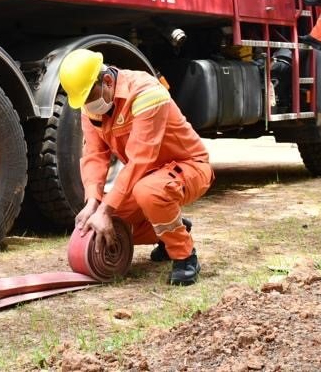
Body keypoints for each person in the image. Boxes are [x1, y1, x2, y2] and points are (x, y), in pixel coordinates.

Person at [59, 48, 214, 286]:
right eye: (84, 101)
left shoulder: (146, 92)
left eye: (90, 96)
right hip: (146, 176)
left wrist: (105, 209)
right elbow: (94, 155)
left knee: (147, 192)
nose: (88, 105)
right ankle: (174, 229)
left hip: (189, 167)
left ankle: (185, 256)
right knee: (110, 224)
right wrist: (93, 203)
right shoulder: (91, 107)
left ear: (107, 81)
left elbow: (141, 158)